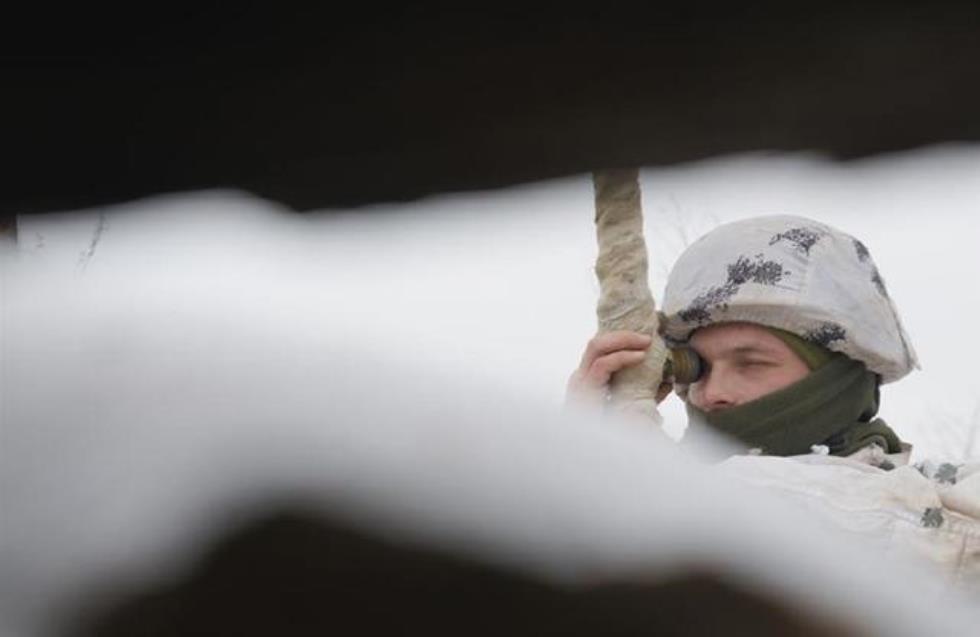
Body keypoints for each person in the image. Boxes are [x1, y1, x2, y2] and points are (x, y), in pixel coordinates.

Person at [567, 215, 980, 587]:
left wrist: (635, 476)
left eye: (750, 363)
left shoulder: (951, 500)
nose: (713, 393)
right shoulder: (644, 516)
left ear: (839, 377)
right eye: (698, 368)